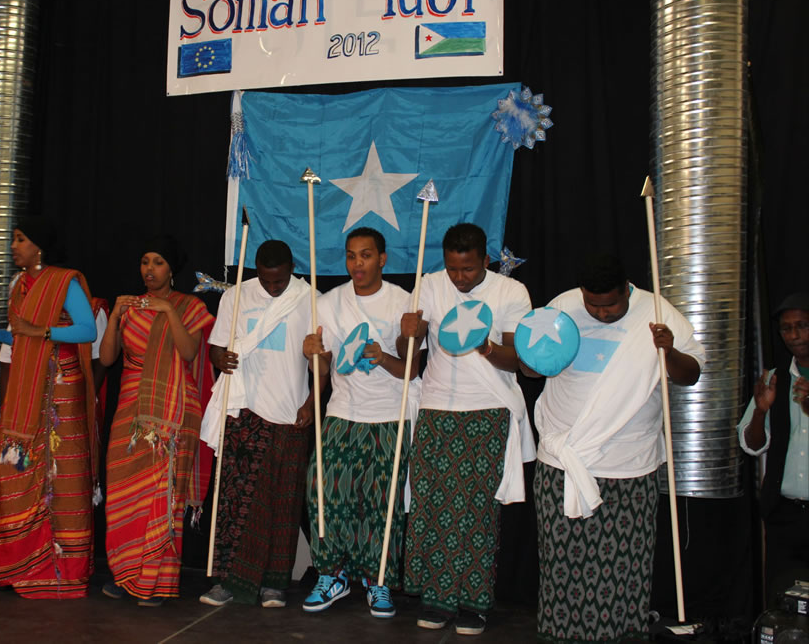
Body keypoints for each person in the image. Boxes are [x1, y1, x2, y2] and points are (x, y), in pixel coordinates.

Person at [524, 253, 704, 643]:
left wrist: (669, 351)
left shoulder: (656, 312)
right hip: (563, 458)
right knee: (561, 563)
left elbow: (691, 375)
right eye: (593, 305)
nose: (602, 313)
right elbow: (531, 367)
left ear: (626, 289)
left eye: (611, 305)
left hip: (629, 463)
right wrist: (528, 357)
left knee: (624, 566)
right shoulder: (562, 307)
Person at [401, 223, 535, 635]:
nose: (459, 278)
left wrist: (485, 346)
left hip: (488, 409)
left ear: (486, 261)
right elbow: (409, 356)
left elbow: (521, 361)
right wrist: (408, 334)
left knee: (475, 510)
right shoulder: (429, 285)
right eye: (453, 269)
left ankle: (473, 603)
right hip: (437, 407)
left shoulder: (511, 292)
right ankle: (436, 597)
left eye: (469, 269)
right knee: (430, 505)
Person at [301, 227, 425, 619]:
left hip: (388, 415)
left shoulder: (404, 302)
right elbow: (323, 369)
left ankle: (378, 580)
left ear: (382, 259)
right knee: (324, 492)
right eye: (352, 256)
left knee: (380, 504)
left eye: (366, 255)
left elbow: (411, 370)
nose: (358, 263)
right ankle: (332, 575)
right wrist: (312, 355)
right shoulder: (328, 303)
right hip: (342, 412)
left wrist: (383, 357)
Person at [0, 216, 98, 599]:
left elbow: (87, 330)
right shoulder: (20, 285)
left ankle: (60, 569)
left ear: (38, 246)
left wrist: (40, 331)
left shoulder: (64, 281)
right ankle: (18, 566)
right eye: (14, 239)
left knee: (62, 477)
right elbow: (22, 336)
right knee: (17, 471)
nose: (14, 246)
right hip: (26, 387)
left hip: (60, 389)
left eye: (20, 239)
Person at [198, 240, 315, 609]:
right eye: (266, 280)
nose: (273, 287)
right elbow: (216, 347)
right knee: (236, 501)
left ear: (291, 270)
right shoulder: (236, 296)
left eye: (279, 281)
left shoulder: (309, 299)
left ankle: (274, 584)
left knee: (283, 504)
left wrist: (312, 402)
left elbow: (322, 361)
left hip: (290, 413)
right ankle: (228, 582)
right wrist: (221, 359)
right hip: (244, 410)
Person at [101, 235, 215, 605]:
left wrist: (167, 310)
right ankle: (125, 574)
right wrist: (115, 316)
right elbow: (107, 359)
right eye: (145, 261)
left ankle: (155, 581)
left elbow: (189, 352)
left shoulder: (189, 306)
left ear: (172, 269)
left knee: (162, 495)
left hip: (173, 411)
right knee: (124, 492)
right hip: (131, 408)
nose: (149, 269)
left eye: (158, 262)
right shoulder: (130, 307)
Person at [737, 291, 809, 602]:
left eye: (802, 325)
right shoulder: (775, 381)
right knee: (783, 606)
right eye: (786, 329)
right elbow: (751, 445)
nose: (794, 335)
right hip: (785, 515)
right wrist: (760, 410)